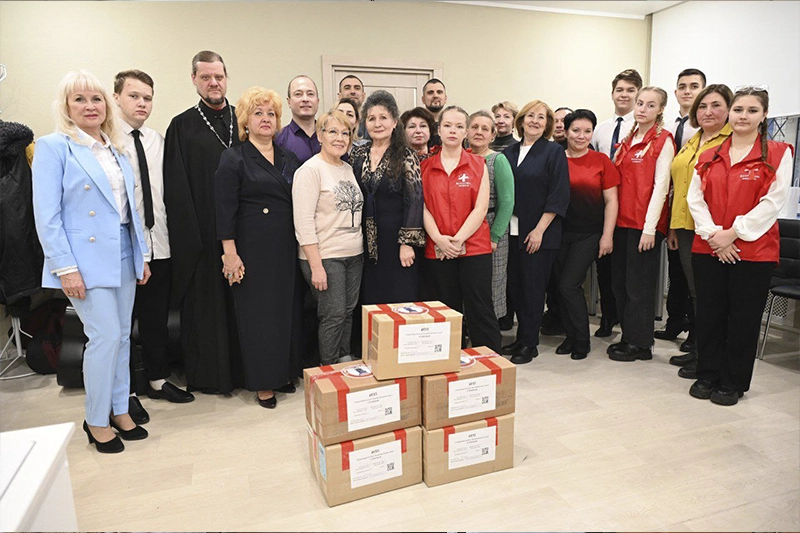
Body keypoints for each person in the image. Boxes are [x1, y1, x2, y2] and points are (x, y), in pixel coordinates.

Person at [32, 70, 151, 453]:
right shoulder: (54, 147)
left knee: (121, 336)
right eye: (79, 99)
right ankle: (96, 419)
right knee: (104, 337)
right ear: (66, 106)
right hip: (83, 262)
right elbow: (47, 216)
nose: (89, 106)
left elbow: (130, 210)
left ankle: (120, 409)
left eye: (96, 99)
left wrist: (142, 255)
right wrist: (64, 267)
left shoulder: (116, 148)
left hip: (123, 254)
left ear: (107, 104)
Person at [687, 86, 793, 406]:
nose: (743, 116)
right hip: (709, 248)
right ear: (730, 113)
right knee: (709, 315)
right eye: (738, 109)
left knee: (743, 320)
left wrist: (733, 233)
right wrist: (715, 236)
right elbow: (695, 200)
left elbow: (773, 202)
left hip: (754, 252)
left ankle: (732, 381)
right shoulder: (708, 155)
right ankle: (707, 373)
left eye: (752, 110)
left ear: (764, 115)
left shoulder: (779, 153)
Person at [215, 87, 302, 409]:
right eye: (258, 113)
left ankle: (284, 373)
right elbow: (224, 209)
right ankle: (264, 382)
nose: (266, 119)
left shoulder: (288, 158)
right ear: (245, 121)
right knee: (259, 317)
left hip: (285, 246)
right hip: (251, 248)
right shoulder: (234, 157)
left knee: (285, 311)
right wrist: (230, 253)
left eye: (271, 114)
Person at [113, 70, 195, 412]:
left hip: (158, 243)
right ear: (116, 97)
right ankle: (126, 393)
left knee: (155, 318)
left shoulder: (158, 141)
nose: (142, 103)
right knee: (120, 326)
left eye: (147, 98)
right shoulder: (106, 141)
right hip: (123, 248)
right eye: (134, 96)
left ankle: (158, 379)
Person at [163, 50, 242, 395]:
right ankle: (210, 377)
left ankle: (247, 374)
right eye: (206, 77)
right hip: (201, 237)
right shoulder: (181, 126)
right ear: (194, 79)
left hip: (243, 234)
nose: (213, 83)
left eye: (219, 76)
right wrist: (191, 239)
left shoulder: (244, 119)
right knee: (207, 311)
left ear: (226, 78)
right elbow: (176, 189)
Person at [422, 106, 501, 352]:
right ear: (439, 129)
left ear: (466, 132)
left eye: (458, 126)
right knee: (445, 310)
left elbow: (481, 208)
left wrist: (457, 240)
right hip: (438, 249)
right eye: (447, 125)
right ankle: (448, 360)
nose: (452, 131)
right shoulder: (425, 167)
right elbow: (422, 208)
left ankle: (489, 362)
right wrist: (439, 240)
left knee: (480, 307)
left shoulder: (478, 164)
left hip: (474, 248)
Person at [669, 84, 734, 380]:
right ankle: (699, 349)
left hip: (713, 229)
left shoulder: (731, 141)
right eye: (703, 106)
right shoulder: (693, 140)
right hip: (686, 227)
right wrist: (673, 226)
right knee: (696, 292)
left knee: (709, 295)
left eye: (716, 105)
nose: (708, 112)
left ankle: (709, 357)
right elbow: (679, 186)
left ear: (728, 110)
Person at [607, 86, 674, 362]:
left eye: (650, 105)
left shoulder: (663, 141)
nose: (643, 109)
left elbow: (661, 187)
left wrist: (649, 229)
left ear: (660, 110)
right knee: (620, 284)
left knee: (639, 287)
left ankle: (641, 343)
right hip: (621, 222)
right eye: (640, 103)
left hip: (643, 226)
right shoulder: (629, 138)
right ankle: (628, 336)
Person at [500, 100, 570, 364]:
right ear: (521, 120)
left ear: (547, 124)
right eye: (530, 116)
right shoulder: (509, 152)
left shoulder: (553, 152)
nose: (535, 121)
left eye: (541, 117)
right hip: (511, 232)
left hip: (539, 233)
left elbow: (558, 195)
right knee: (515, 288)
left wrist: (539, 230)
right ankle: (521, 338)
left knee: (532, 289)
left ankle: (530, 343)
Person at [293, 110, 364, 365]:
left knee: (347, 312)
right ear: (320, 135)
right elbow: (303, 223)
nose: (340, 138)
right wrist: (316, 266)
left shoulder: (348, 168)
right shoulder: (310, 170)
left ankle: (344, 359)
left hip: (354, 254)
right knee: (332, 315)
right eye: (333, 131)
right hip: (325, 256)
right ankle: (329, 370)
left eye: (345, 133)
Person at [556, 109, 620, 360]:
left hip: (589, 234)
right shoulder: (556, 159)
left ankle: (582, 340)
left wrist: (607, 236)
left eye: (587, 131)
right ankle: (570, 336)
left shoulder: (601, 161)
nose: (581, 136)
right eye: (575, 130)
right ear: (566, 131)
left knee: (569, 284)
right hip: (559, 232)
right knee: (560, 287)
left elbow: (611, 200)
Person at [351, 90, 425, 305]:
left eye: (383, 117)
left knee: (398, 300)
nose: (377, 124)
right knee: (369, 301)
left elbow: (415, 201)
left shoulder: (406, 155)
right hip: (364, 242)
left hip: (396, 242)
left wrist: (407, 243)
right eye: (371, 118)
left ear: (394, 122)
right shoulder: (358, 154)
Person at [656, 68, 707, 357]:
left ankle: (696, 334)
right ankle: (675, 322)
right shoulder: (669, 126)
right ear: (675, 92)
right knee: (676, 272)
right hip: (673, 210)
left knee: (694, 278)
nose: (687, 91)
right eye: (682, 86)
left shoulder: (706, 131)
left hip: (696, 214)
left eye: (694, 86)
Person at [591, 68, 643, 337]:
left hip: (633, 206)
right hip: (604, 205)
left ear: (638, 94)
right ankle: (608, 316)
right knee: (606, 267)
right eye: (620, 90)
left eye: (631, 90)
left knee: (629, 271)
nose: (624, 94)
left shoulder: (644, 129)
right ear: (612, 93)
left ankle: (629, 322)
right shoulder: (601, 129)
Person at [466, 110, 514, 324]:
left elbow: (507, 203)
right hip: (465, 230)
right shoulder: (462, 158)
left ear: (493, 135)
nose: (479, 132)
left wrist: (495, 236)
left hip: (491, 229)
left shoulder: (498, 160)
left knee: (491, 284)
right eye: (474, 127)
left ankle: (489, 331)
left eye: (485, 129)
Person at [491, 100, 520, 331]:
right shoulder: (483, 146)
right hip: (489, 214)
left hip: (511, 217)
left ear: (514, 121)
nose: (501, 120)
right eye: (497, 116)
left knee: (507, 270)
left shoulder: (516, 148)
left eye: (506, 116)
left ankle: (506, 314)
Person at [275, 75, 321, 165]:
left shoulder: (331, 136)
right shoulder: (278, 139)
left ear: (317, 101)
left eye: (310, 94)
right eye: (298, 94)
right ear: (289, 102)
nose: (305, 99)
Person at [421, 78, 447, 147]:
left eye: (439, 92)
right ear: (423, 99)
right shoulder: (416, 126)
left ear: (445, 98)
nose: (435, 96)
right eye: (430, 92)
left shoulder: (454, 124)